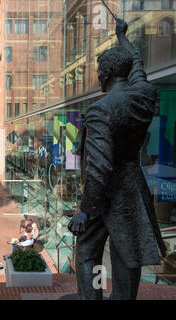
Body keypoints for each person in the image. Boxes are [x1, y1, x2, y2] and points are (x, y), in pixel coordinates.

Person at [67, 19, 166, 300]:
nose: (98, 75)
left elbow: (99, 167)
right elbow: (136, 64)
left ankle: (93, 297)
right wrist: (122, 37)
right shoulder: (144, 96)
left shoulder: (101, 110)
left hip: (104, 193)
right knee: (127, 253)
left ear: (108, 73)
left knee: (87, 251)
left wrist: (86, 209)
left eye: (99, 70)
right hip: (132, 187)